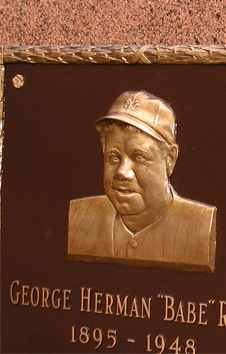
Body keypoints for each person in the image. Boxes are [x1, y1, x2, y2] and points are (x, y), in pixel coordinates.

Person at [68, 91, 217, 273]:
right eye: (113, 158)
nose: (122, 172)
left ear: (170, 159)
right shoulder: (79, 217)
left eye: (138, 157)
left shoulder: (199, 227)